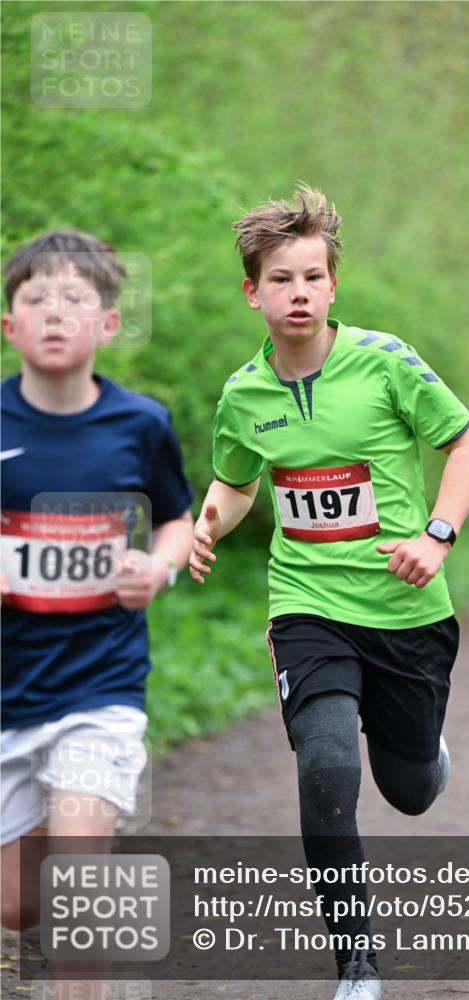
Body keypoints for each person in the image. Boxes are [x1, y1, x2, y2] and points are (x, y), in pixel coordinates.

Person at [189, 185, 469, 1000]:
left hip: (405, 608)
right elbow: (237, 481)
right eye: (281, 279)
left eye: (313, 277)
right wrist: (206, 522)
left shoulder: (386, 361)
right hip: (307, 607)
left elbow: (467, 446)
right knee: (324, 769)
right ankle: (356, 965)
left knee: (410, 790)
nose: (299, 294)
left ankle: (426, 756)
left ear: (332, 284)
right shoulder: (244, 393)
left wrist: (437, 535)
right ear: (252, 290)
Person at [1, 231, 193, 967]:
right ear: (9, 324)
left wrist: (160, 567)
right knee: (19, 907)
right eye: (35, 298)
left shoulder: (139, 424)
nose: (54, 313)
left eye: (74, 299)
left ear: (107, 324)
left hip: (100, 686)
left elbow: (177, 516)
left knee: (83, 887)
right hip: (9, 696)